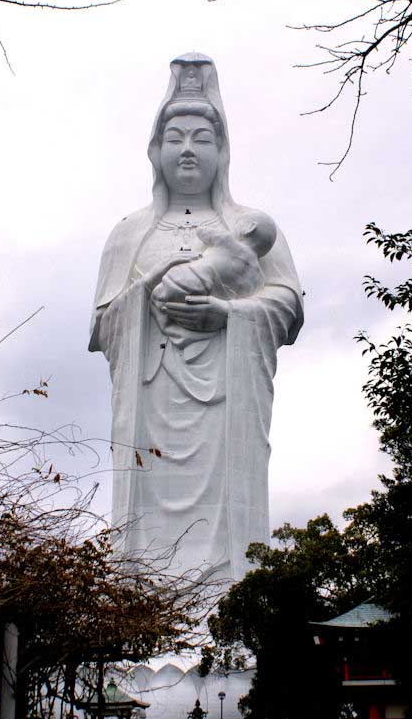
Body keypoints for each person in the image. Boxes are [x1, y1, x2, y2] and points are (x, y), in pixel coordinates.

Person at [89, 52, 303, 581]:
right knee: (144, 533)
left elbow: (288, 305)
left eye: (201, 138)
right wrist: (148, 291)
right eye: (176, 138)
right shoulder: (129, 232)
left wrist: (226, 313)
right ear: (156, 150)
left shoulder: (250, 226)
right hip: (149, 400)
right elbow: (100, 326)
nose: (187, 150)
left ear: (221, 151)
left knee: (230, 519)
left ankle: (235, 622)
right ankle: (136, 629)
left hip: (225, 405)